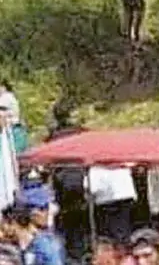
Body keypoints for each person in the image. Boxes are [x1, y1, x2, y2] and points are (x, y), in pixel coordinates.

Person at [45, 100, 91, 263]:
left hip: (62, 188)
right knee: (82, 229)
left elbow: (48, 163)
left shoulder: (52, 137)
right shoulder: (83, 133)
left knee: (67, 229)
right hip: (82, 186)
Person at [88, 166, 138, 245]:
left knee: (112, 236)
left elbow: (93, 188)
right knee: (123, 232)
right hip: (125, 196)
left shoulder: (96, 167)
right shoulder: (119, 162)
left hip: (108, 202)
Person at [20, 188, 65, 265]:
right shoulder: (41, 241)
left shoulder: (48, 242)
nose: (47, 213)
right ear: (31, 214)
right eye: (42, 209)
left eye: (47, 209)